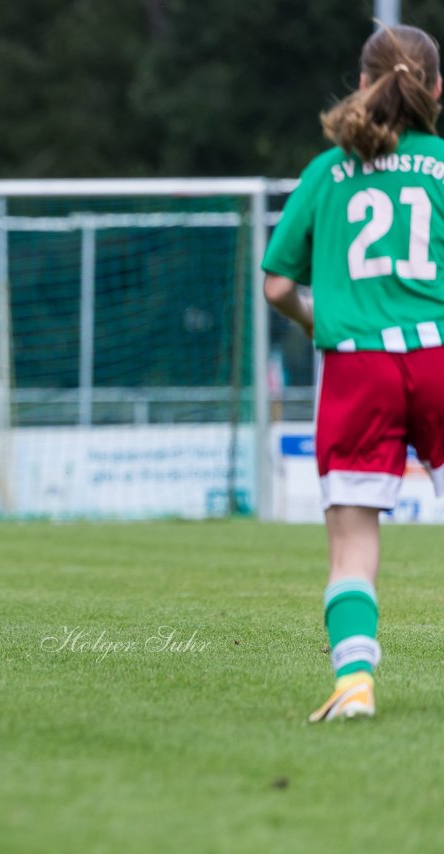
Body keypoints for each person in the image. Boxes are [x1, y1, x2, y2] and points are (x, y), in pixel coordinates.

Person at [263, 23, 444, 721]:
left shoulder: (327, 171)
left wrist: (321, 325)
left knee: (353, 539)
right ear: (435, 90)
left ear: (364, 83)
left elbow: (277, 285)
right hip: (437, 354)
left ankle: (356, 684)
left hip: (357, 368)